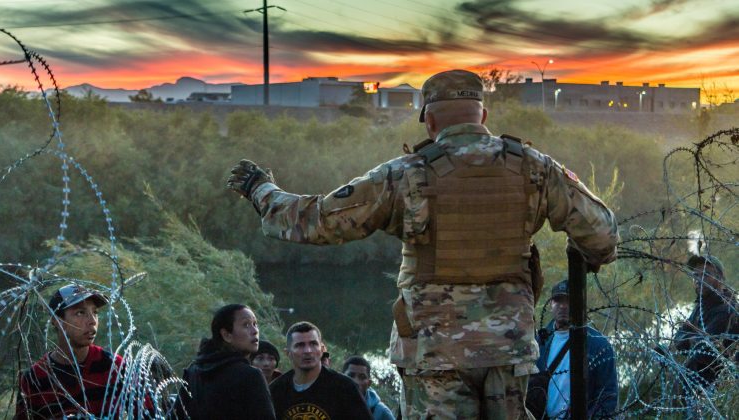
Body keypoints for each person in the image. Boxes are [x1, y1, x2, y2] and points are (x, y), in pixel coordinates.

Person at [228, 69, 618, 419]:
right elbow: (602, 234)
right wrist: (589, 256)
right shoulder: (533, 166)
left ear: (430, 121)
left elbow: (319, 222)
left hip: (434, 353)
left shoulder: (406, 175)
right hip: (509, 348)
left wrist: (262, 190)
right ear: (482, 117)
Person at [15, 284, 126, 419]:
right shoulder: (35, 378)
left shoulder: (114, 366)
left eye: (95, 312)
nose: (92, 321)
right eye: (80, 313)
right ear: (57, 321)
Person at [529, 280, 618, 419]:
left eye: (569, 301)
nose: (563, 306)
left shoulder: (599, 345)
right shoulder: (540, 342)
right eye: (558, 300)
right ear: (551, 304)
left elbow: (608, 395)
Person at [174, 304, 275, 419]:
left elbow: (176, 415)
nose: (255, 331)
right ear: (227, 335)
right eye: (246, 325)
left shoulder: (194, 370)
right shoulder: (250, 376)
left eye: (255, 324)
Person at [269, 321, 372, 419]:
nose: (308, 351)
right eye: (300, 345)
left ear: (322, 350)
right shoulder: (276, 391)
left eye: (313, 344)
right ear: (288, 353)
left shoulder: (345, 388)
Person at [674, 255, 737, 388]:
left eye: (706, 274)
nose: (698, 279)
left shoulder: (726, 310)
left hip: (716, 389)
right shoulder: (701, 306)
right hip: (695, 387)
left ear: (720, 279)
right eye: (695, 275)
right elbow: (678, 339)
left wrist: (689, 341)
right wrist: (692, 341)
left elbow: (704, 351)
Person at [343, 356, 395, 420]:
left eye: (362, 377)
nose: (355, 381)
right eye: (351, 375)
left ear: (369, 383)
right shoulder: (331, 403)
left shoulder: (382, 413)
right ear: (340, 378)